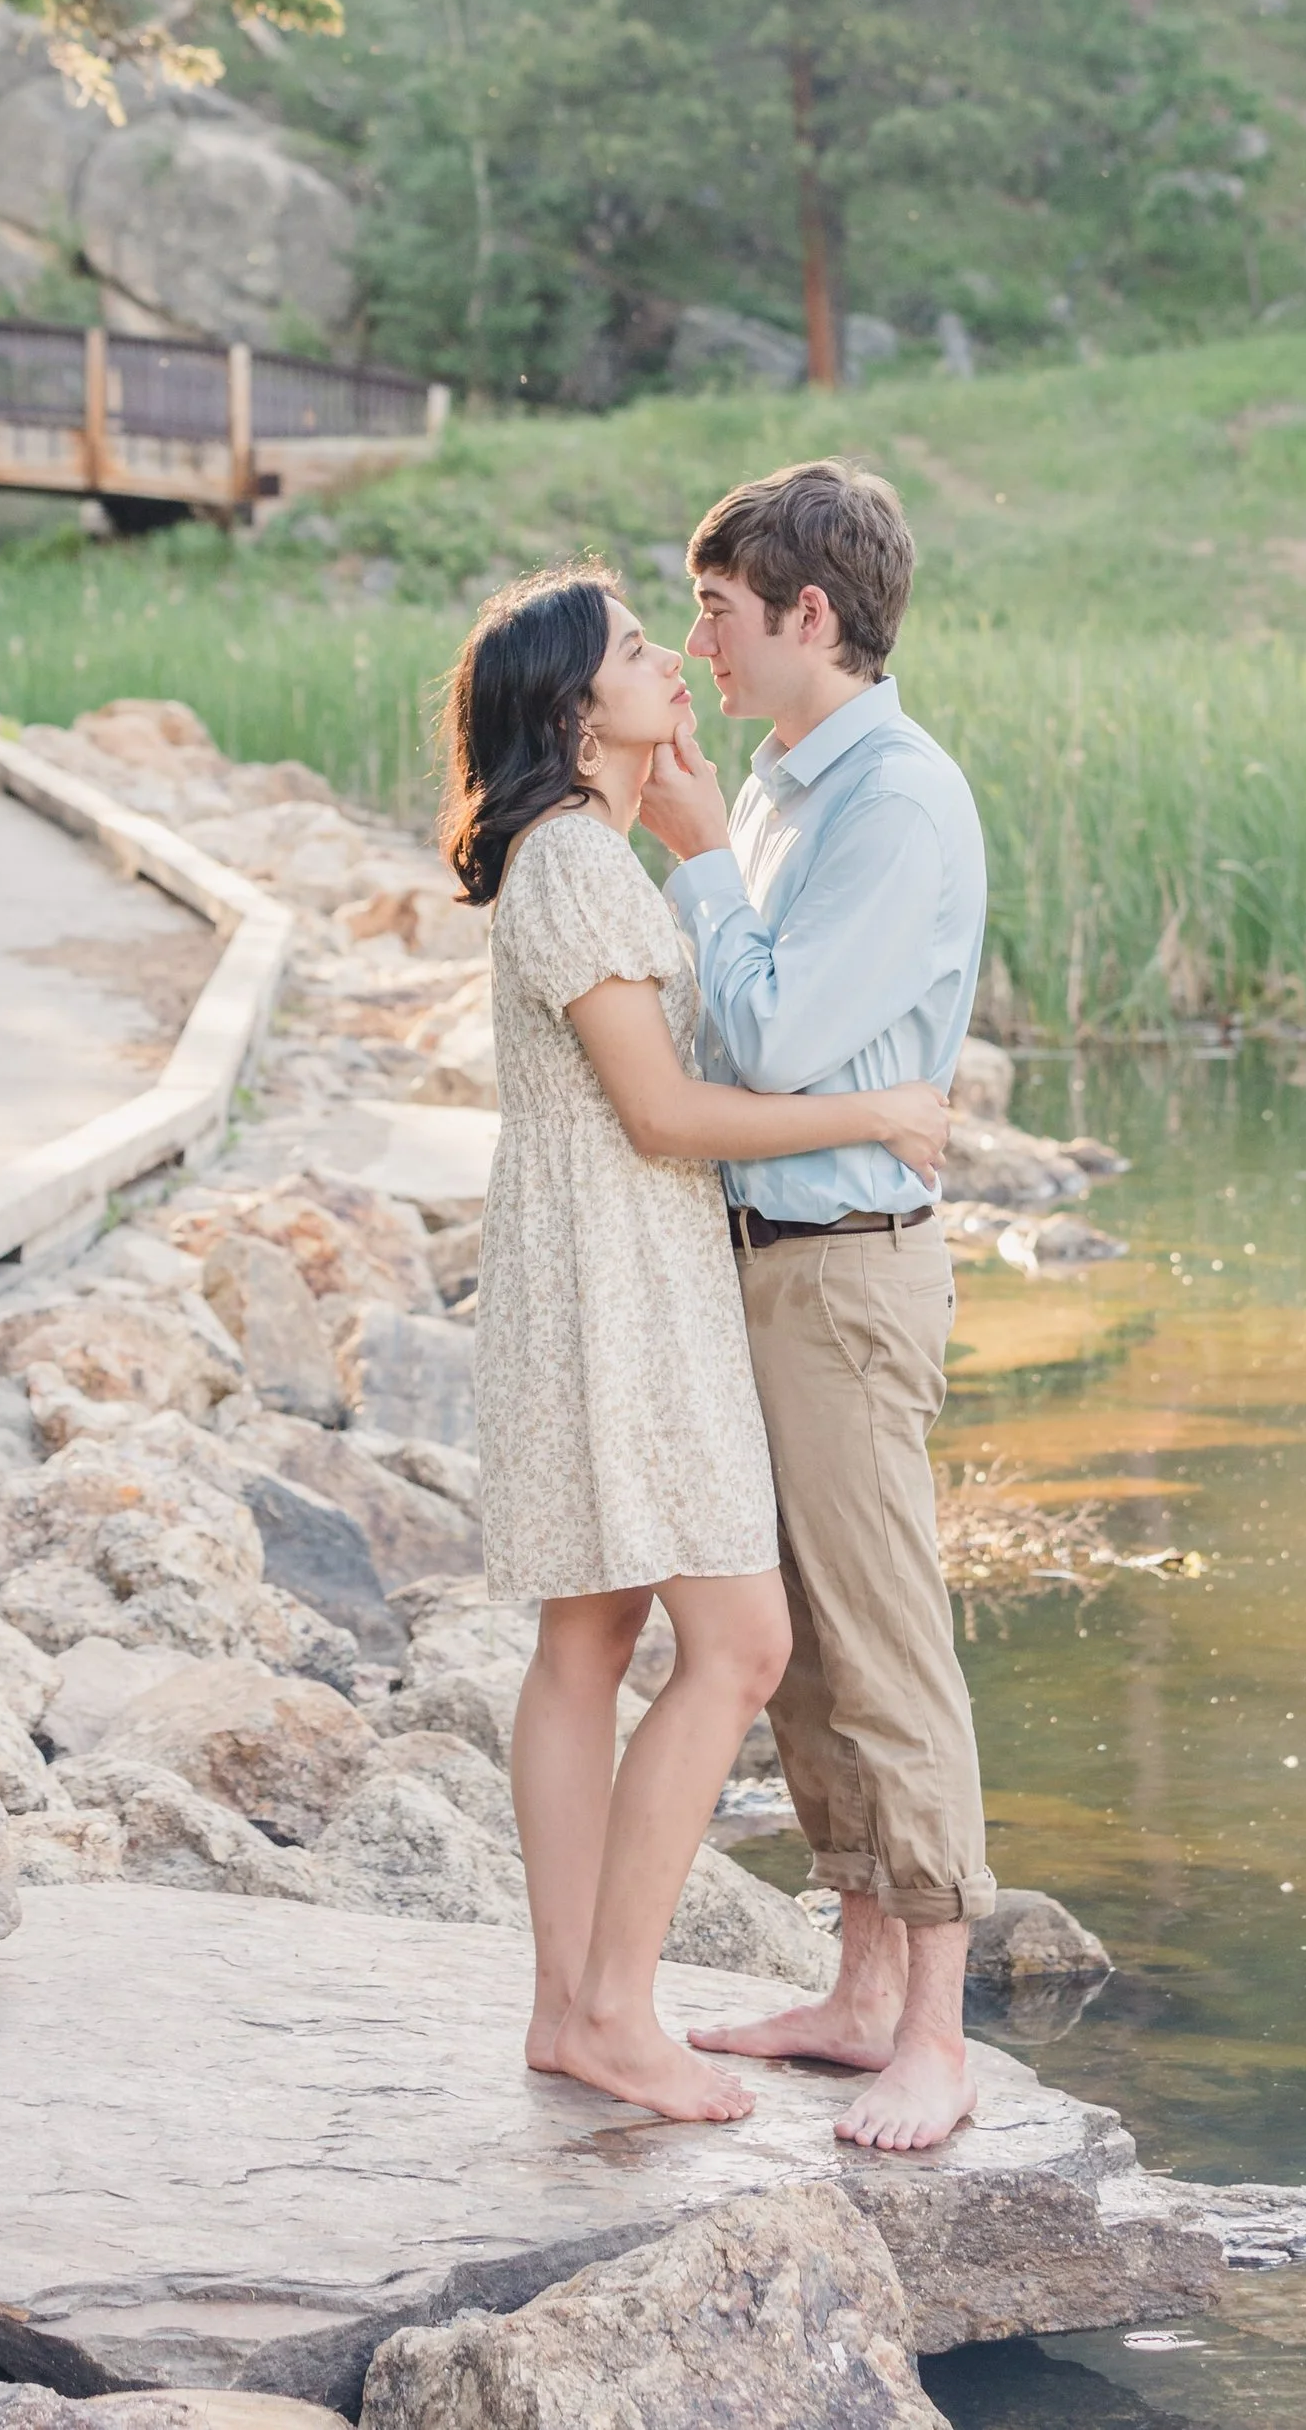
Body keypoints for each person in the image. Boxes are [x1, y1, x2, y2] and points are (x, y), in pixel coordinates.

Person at [443, 564, 953, 2127]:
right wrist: (872, 1108)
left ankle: (567, 2009)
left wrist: (691, 839)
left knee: (589, 1641)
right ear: (568, 709)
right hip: (624, 1286)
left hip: (592, 1270)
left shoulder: (571, 857)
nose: (672, 659)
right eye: (635, 650)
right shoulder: (583, 870)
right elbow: (664, 1115)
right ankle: (610, 2007)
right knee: (740, 1643)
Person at [637, 458, 992, 2153]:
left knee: (882, 1638)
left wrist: (697, 853)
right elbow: (731, 1039)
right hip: (755, 1254)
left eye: (716, 605)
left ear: (809, 614)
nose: (698, 635)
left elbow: (776, 1042)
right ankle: (857, 1992)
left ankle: (939, 2030)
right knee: (797, 1654)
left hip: (846, 1270)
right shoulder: (785, 779)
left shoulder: (894, 801)